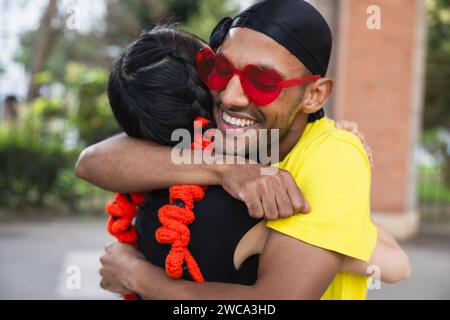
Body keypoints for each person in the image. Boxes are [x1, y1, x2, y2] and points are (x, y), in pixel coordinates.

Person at [78, 0, 411, 299]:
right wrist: (226, 169)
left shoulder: (332, 157)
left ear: (315, 95)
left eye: (263, 82)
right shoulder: (226, 139)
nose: (230, 97)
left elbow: (394, 264)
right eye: (220, 70)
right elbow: (93, 161)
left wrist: (139, 277)